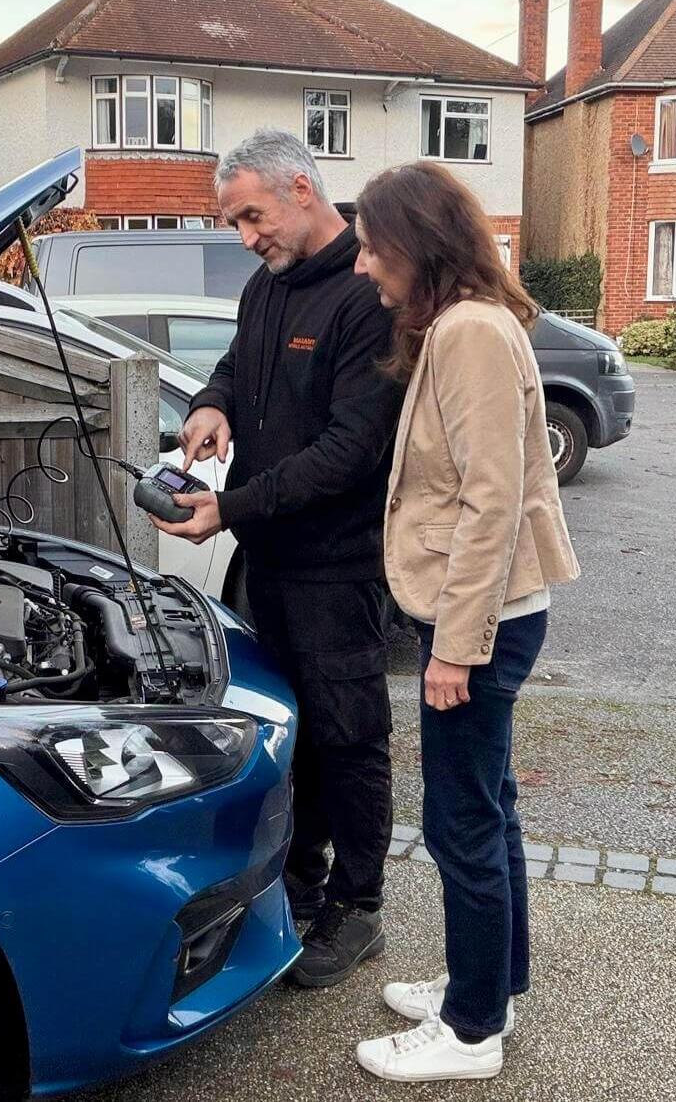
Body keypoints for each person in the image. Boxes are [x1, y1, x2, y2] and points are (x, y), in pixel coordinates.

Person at [150, 128, 403, 988]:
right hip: (269, 563)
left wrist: (228, 508)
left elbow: (350, 451)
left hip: (338, 567)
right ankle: (299, 872)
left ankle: (359, 908)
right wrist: (212, 403)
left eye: (253, 216)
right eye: (235, 223)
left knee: (351, 739)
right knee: (286, 731)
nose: (246, 237)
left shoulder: (368, 294)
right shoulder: (267, 286)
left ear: (302, 188)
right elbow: (232, 363)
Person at [349, 161, 580, 1082]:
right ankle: (496, 983)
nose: (364, 264)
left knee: (460, 823)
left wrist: (454, 647)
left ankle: (472, 1029)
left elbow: (493, 501)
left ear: (417, 243)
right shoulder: (465, 323)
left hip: (478, 622)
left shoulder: (472, 333)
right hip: (488, 615)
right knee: (489, 807)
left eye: (372, 245)